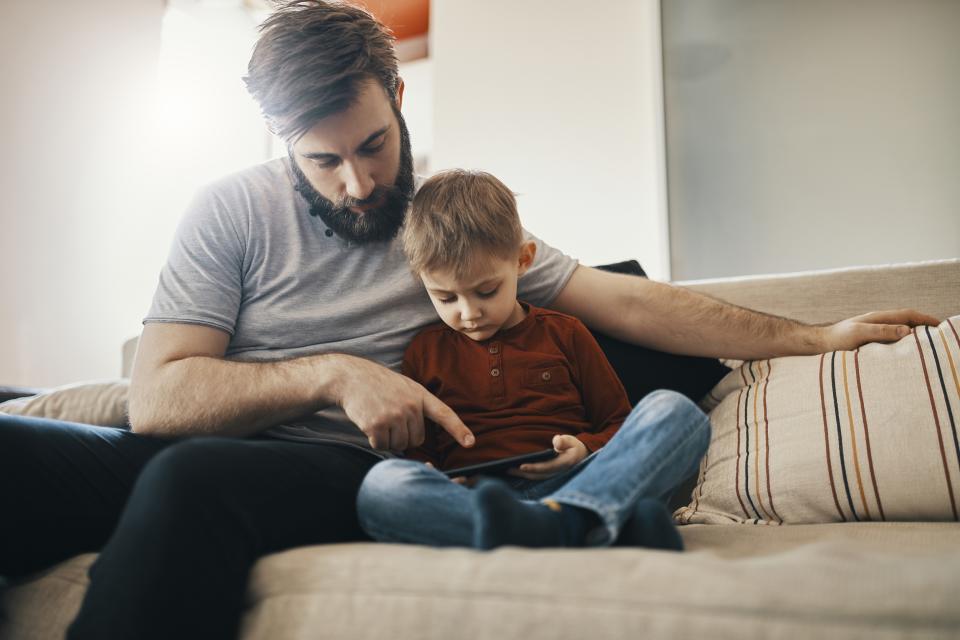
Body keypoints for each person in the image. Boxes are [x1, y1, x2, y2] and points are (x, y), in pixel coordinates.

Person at [0, 1, 938, 639]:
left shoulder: (449, 223)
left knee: (198, 482)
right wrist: (335, 371)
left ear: (400, 99)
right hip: (208, 436)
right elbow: (159, 398)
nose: (359, 183)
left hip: (343, 467)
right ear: (280, 144)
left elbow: (631, 303)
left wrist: (814, 336)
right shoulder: (227, 211)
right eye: (323, 161)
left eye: (372, 146)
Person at [356, 169, 711, 551]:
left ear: (523, 261)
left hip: (577, 480)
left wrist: (584, 448)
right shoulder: (424, 352)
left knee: (678, 413)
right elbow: (421, 451)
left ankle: (561, 518)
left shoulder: (566, 332)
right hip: (479, 501)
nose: (469, 312)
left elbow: (618, 423)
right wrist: (436, 476)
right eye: (446, 298)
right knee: (382, 487)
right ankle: (588, 524)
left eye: (487, 291)